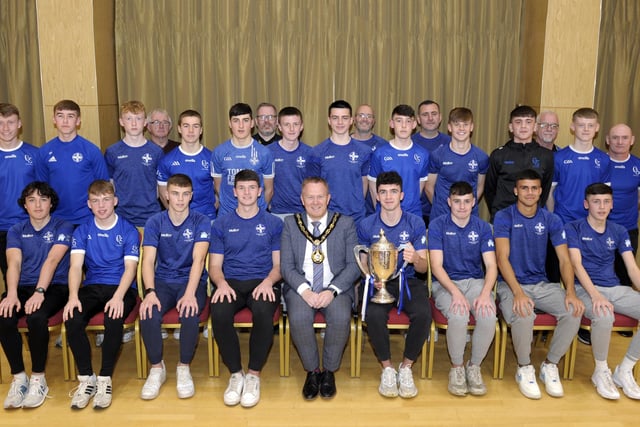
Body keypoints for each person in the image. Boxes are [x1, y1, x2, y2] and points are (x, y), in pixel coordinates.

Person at [494, 169, 584, 399]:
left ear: (541, 191)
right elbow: (502, 258)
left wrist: (571, 292)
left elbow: (565, 260)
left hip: (542, 284)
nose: (529, 192)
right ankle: (524, 367)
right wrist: (518, 292)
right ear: (516, 190)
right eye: (524, 187)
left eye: (534, 188)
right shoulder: (504, 216)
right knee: (523, 311)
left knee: (574, 310)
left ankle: (549, 365)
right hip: (510, 284)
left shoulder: (551, 219)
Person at [281, 177, 360, 400]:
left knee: (340, 316)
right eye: (310, 197)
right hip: (301, 287)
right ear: (302, 200)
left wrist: (332, 290)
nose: (315, 202)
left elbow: (354, 265)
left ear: (328, 198)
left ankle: (329, 371)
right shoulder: (290, 223)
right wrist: (305, 290)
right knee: (297, 317)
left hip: (335, 287)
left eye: (320, 196)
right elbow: (286, 266)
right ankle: (312, 371)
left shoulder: (345, 223)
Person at [209, 169, 283, 408]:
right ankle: (236, 374)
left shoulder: (273, 223)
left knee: (263, 311)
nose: (247, 192)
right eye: (242, 188)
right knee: (218, 311)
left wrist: (268, 282)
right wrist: (220, 284)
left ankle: (253, 375)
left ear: (260, 191)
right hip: (230, 281)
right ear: (234, 192)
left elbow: (279, 266)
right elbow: (215, 265)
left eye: (252, 188)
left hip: (263, 281)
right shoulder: (221, 223)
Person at [63, 180, 139, 410]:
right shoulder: (82, 230)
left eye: (106, 199)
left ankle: (105, 378)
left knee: (113, 318)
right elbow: (76, 267)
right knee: (73, 318)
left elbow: (130, 269)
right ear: (89, 204)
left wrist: (117, 297)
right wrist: (73, 296)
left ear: (115, 201)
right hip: (93, 286)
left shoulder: (128, 229)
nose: (101, 205)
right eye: (95, 201)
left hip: (122, 288)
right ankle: (87, 379)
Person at [357, 171, 430, 398]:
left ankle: (406, 367)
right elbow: (362, 259)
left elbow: (424, 268)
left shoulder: (415, 222)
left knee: (424, 314)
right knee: (375, 315)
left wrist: (415, 258)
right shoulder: (367, 224)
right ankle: (387, 368)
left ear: (402, 195)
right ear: (377, 196)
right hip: (378, 283)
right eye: (383, 192)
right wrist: (372, 277)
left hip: (408, 280)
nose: (388, 197)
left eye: (393, 192)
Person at [0, 182, 72, 409]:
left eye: (43, 199)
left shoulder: (64, 226)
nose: (38, 204)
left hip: (56, 286)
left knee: (37, 318)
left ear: (51, 203)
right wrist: (11, 294)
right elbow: (14, 263)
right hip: (23, 286)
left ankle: (38, 378)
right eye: (31, 200)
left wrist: (40, 291)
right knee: (4, 315)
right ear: (25, 205)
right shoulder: (16, 230)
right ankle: (20, 378)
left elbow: (52, 260)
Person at [566, 183, 640, 400]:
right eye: (596, 201)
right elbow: (576, 266)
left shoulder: (619, 230)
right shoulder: (574, 228)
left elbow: (632, 268)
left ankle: (624, 370)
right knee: (604, 315)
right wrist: (596, 295)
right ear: (586, 204)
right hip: (584, 289)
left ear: (612, 205)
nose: (601, 206)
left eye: (606, 201)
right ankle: (601, 371)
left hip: (615, 287)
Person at [139, 174, 210, 400]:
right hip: (163, 281)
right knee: (148, 312)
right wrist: (149, 293)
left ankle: (183, 367)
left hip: (191, 280)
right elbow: (148, 260)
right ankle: (157, 368)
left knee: (190, 312)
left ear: (191, 196)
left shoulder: (201, 221)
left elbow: (199, 260)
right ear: (167, 195)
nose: (180, 199)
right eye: (176, 194)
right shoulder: (155, 222)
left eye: (185, 194)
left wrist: (190, 293)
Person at [428, 181, 497, 397]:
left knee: (488, 314)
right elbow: (436, 266)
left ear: (474, 202)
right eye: (457, 201)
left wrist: (486, 293)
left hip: (475, 283)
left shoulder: (483, 227)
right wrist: (455, 293)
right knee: (458, 314)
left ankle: (474, 366)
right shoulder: (438, 226)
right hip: (445, 283)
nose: (462, 206)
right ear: (449, 202)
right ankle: (457, 368)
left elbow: (492, 266)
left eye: (467, 201)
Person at [35, 99, 110, 226]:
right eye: (60, 116)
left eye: (70, 116)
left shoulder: (92, 150)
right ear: (54, 119)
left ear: (78, 120)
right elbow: (41, 190)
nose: (65, 121)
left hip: (87, 218)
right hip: (55, 219)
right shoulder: (43, 152)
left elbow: (104, 188)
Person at [485, 105, 554, 222]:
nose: (523, 126)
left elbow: (545, 189)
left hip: (533, 218)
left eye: (528, 122)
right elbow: (490, 190)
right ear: (511, 127)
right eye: (518, 122)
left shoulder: (546, 156)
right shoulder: (498, 155)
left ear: (535, 127)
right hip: (504, 218)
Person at [309, 100, 371, 223]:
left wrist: (356, 204)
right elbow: (314, 187)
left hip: (357, 217)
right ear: (329, 120)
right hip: (328, 216)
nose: (340, 122)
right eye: (335, 118)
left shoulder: (364, 151)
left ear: (351, 121)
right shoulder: (317, 152)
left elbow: (364, 182)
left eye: (344, 118)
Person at [104, 100, 164, 227]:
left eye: (138, 118)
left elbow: (161, 186)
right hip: (121, 216)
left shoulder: (156, 152)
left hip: (151, 216)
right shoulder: (112, 151)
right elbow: (110, 185)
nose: (134, 123)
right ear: (121, 122)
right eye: (129, 118)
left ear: (145, 122)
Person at [547, 108, 610, 225]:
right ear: (572, 127)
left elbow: (605, 195)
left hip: (591, 222)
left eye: (590, 125)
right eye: (581, 125)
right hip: (563, 220)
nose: (586, 129)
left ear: (597, 128)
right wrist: (552, 219)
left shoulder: (604, 159)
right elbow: (550, 192)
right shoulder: (558, 157)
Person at [211, 103, 275, 217]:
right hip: (227, 215)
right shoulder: (219, 152)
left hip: (256, 216)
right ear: (230, 124)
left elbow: (269, 189)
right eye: (236, 121)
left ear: (252, 123)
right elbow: (218, 187)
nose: (241, 126)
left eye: (245, 120)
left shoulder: (264, 153)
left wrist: (256, 211)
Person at [426, 107, 489, 221]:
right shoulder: (437, 155)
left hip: (469, 217)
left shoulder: (481, 157)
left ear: (472, 127)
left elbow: (480, 187)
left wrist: (465, 209)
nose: (461, 128)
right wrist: (441, 207)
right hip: (441, 216)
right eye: (457, 124)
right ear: (449, 127)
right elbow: (429, 187)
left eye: (465, 124)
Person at [0, 103, 39, 287]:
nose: (5, 128)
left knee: (34, 276)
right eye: (0, 123)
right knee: (10, 278)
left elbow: (43, 192)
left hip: (31, 226)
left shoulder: (34, 154)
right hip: (2, 229)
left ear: (19, 124)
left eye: (10, 122)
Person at [367, 104, 429, 218]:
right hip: (386, 214)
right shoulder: (380, 153)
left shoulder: (422, 154)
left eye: (408, 121)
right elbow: (372, 185)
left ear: (414, 124)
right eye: (399, 121)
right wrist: (383, 209)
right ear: (391, 123)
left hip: (413, 214)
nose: (404, 126)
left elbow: (419, 187)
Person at [157, 109, 216, 221]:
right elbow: (163, 193)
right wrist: (176, 215)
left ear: (201, 130)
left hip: (207, 218)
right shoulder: (167, 160)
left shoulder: (212, 158)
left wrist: (210, 210)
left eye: (195, 126)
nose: (191, 130)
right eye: (186, 126)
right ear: (179, 129)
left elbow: (218, 191)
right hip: (179, 220)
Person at [604, 124, 640, 287]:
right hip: (601, 230)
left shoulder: (638, 165)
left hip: (628, 230)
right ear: (607, 140)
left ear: (632, 140)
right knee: (601, 278)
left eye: (624, 138)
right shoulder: (599, 163)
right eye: (615, 137)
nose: (619, 142)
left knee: (625, 280)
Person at [267, 106, 313, 219]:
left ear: (301, 126)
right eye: (287, 124)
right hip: (277, 213)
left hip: (303, 212)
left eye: (296, 124)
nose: (292, 129)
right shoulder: (268, 152)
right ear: (279, 127)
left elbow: (313, 185)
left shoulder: (310, 153)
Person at [411, 100, 451, 226]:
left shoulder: (452, 143)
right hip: (415, 212)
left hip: (446, 212)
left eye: (434, 114)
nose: (430, 118)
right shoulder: (408, 143)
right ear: (418, 119)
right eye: (425, 114)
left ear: (440, 117)